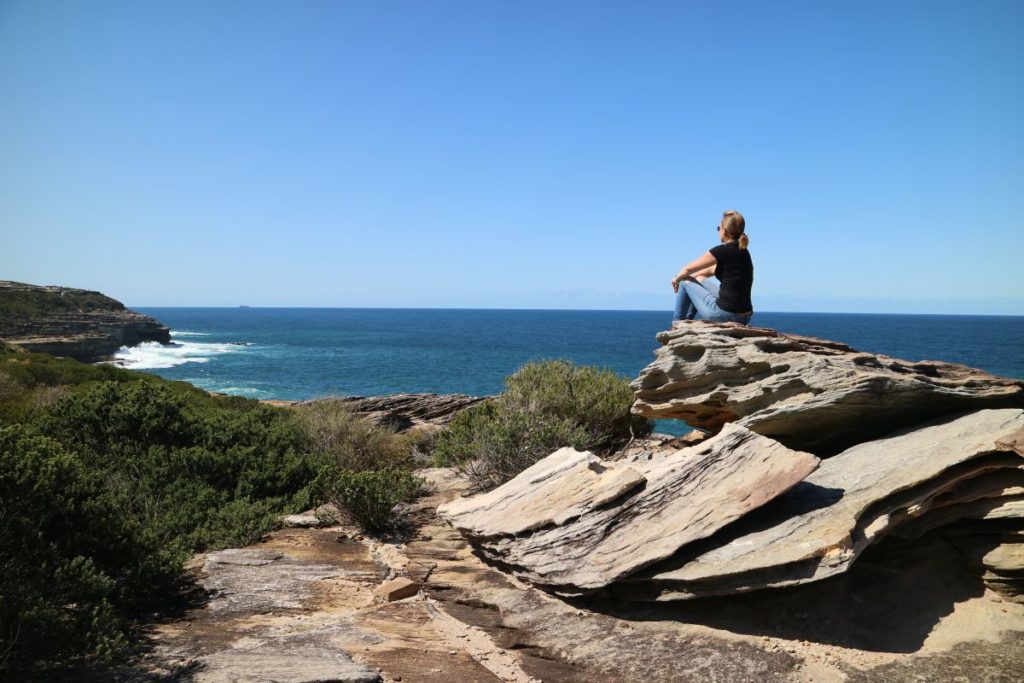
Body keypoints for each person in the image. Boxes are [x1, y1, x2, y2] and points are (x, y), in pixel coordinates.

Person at [671, 210, 753, 324]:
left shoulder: (722, 250)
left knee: (684, 281)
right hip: (745, 317)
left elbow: (687, 269)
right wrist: (694, 279)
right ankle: (689, 320)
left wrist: (676, 278)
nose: (718, 231)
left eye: (718, 228)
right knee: (699, 278)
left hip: (725, 315)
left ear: (724, 230)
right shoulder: (743, 252)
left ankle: (677, 324)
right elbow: (711, 270)